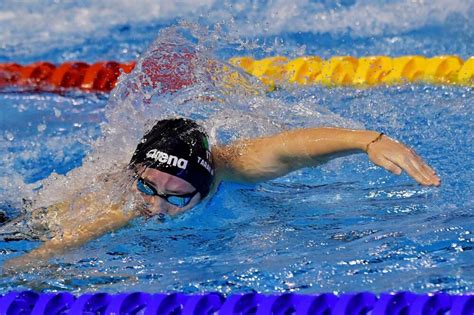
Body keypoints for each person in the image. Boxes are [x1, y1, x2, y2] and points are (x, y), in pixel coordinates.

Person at [2, 116, 440, 270]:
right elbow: (58, 248)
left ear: (209, 187)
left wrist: (368, 140)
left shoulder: (227, 166)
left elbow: (290, 150)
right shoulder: (125, 206)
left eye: (177, 198)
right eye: (148, 186)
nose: (156, 206)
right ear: (134, 170)